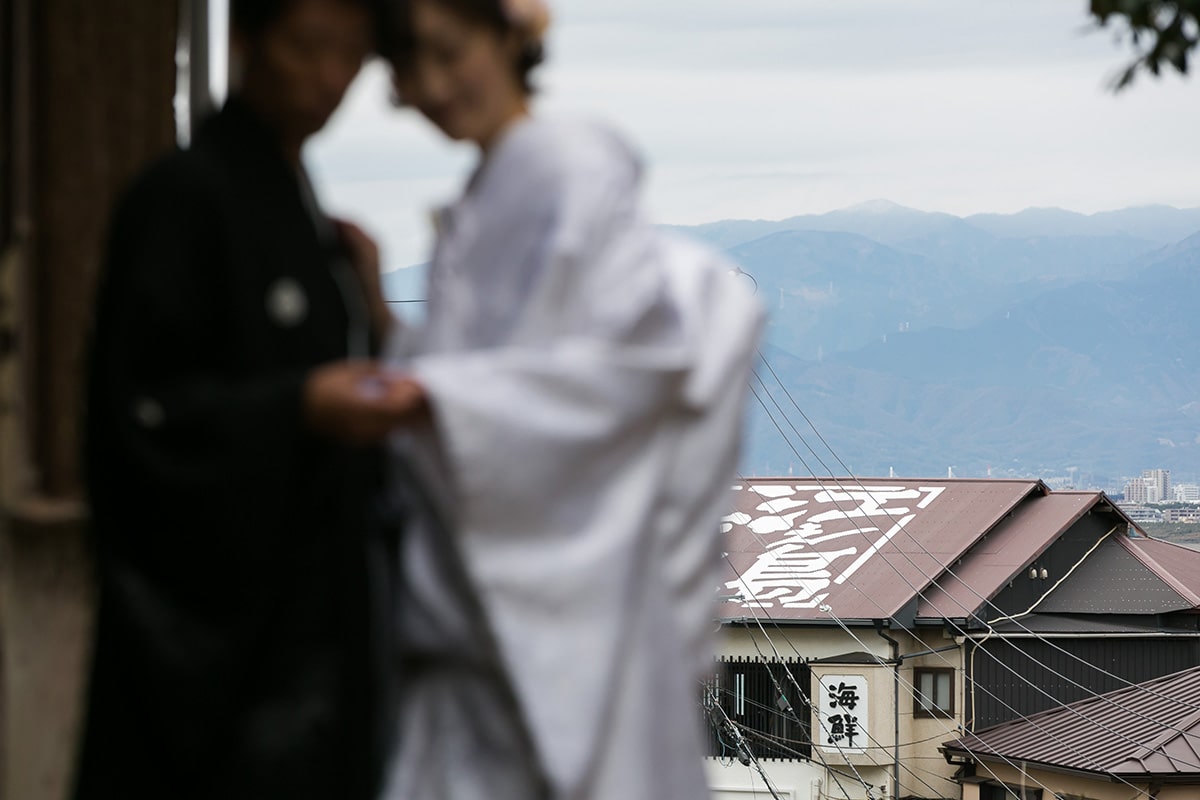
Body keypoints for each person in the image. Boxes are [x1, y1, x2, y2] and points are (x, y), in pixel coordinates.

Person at [374, 1, 765, 798]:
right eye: (410, 66)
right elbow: (493, 369)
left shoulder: (565, 170)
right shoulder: (494, 189)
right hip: (494, 608)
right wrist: (393, 336)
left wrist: (431, 400)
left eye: (450, 53)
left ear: (509, 36)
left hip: (555, 611)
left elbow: (630, 370)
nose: (434, 85)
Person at [74, 1, 413, 798]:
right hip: (222, 652)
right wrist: (298, 404)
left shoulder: (301, 207)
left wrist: (370, 310)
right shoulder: (182, 194)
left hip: (312, 620)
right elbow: (138, 415)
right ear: (244, 40)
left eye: (350, 57)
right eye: (308, 49)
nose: (329, 78)